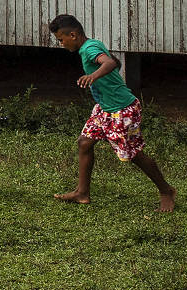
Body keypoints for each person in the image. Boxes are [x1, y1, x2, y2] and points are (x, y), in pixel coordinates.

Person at [47, 15, 177, 212]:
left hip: (121, 110)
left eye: (61, 39)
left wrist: (93, 76)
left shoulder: (89, 49)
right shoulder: (92, 45)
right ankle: (82, 192)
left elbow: (110, 63)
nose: (62, 43)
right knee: (84, 142)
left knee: (134, 155)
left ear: (72, 35)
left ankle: (166, 190)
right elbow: (115, 61)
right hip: (104, 108)